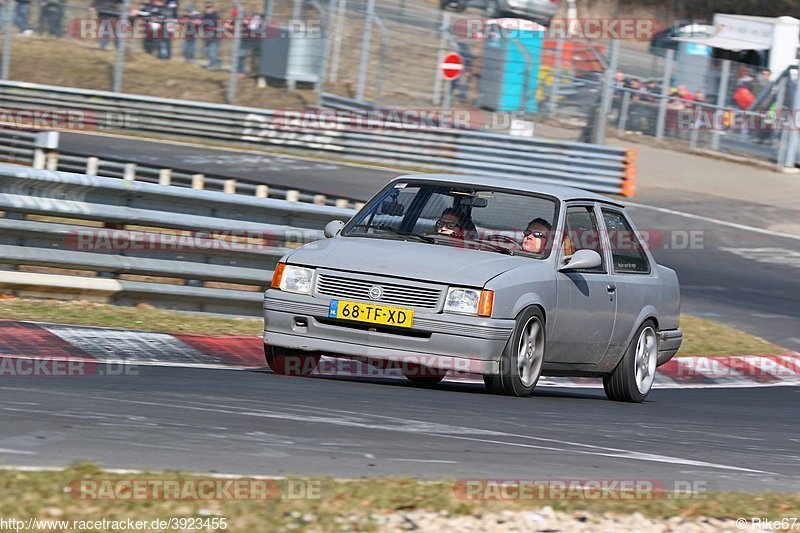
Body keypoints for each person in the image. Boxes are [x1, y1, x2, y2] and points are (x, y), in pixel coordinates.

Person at [201, 2, 221, 69]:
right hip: (207, 37)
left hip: (214, 37)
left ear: (213, 8)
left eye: (210, 8)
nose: (208, 9)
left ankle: (212, 65)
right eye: (207, 8)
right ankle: (217, 62)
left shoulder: (216, 16)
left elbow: (217, 26)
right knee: (206, 51)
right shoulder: (204, 16)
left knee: (212, 52)